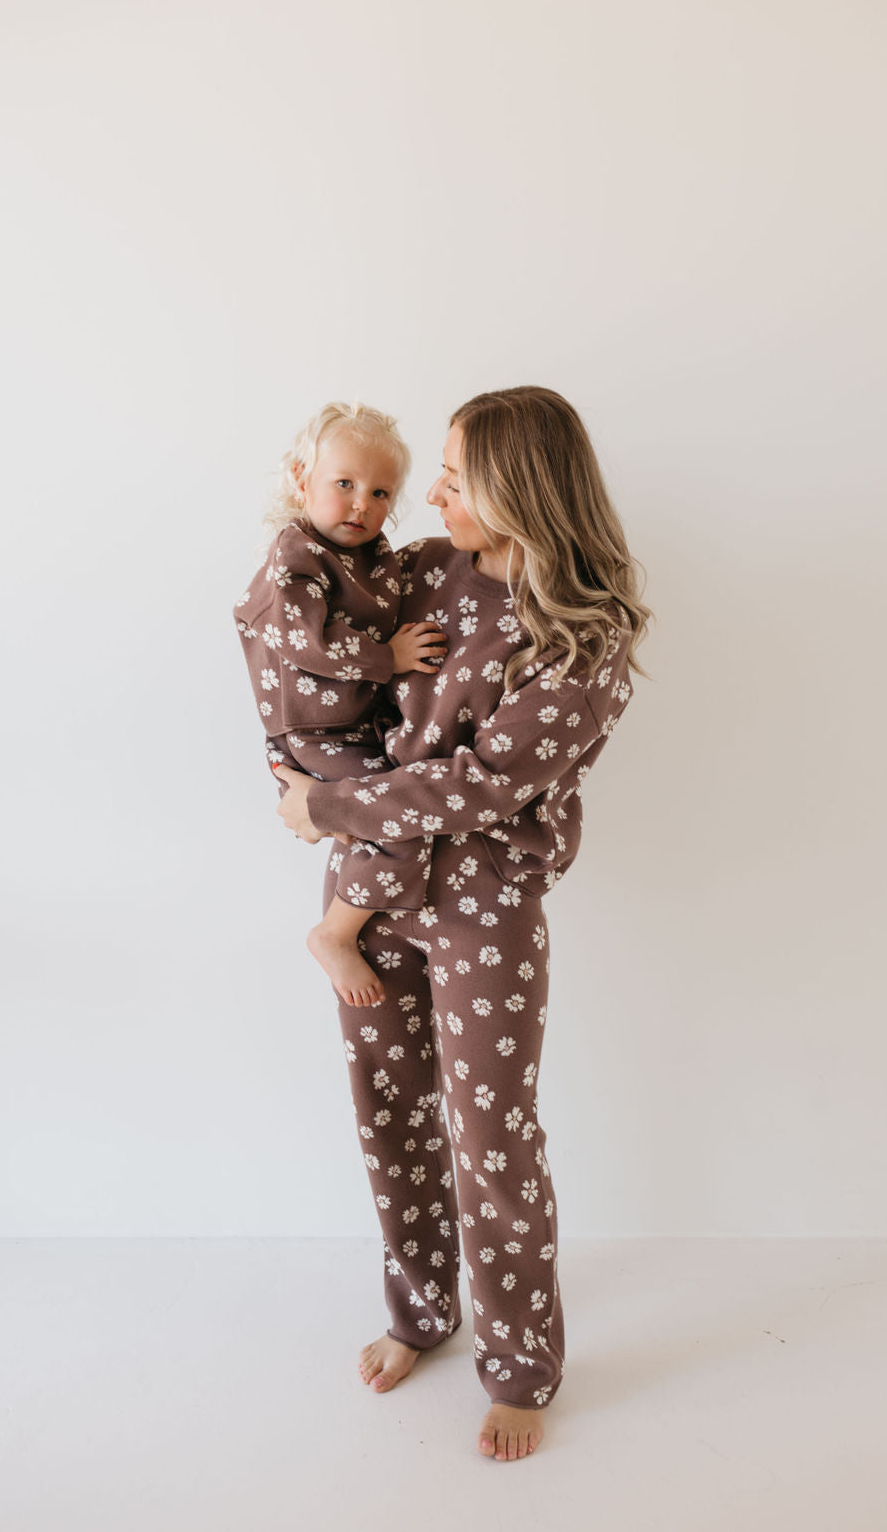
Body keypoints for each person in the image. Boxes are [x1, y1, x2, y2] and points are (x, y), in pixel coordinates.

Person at [274, 386, 652, 1462]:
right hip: (371, 881)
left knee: (491, 1139)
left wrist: (325, 805)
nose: (430, 489)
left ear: (519, 487)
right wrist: (291, 754)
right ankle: (418, 1312)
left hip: (483, 900)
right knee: (389, 1113)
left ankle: (522, 1361)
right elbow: (321, 639)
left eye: (454, 468)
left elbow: (485, 784)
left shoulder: (588, 633)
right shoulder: (426, 565)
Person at [233, 402, 446, 1006]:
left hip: (350, 726)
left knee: (380, 821)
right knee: (397, 824)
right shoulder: (295, 553)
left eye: (380, 492)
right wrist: (390, 658)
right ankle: (334, 934)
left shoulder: (372, 556)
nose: (362, 504)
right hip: (315, 728)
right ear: (303, 480)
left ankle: (353, 907)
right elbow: (308, 642)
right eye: (344, 484)